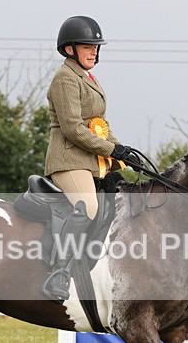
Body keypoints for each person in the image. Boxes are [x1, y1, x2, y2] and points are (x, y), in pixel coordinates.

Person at [42, 16, 137, 300]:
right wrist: (110, 150)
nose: (94, 51)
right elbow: (72, 128)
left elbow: (100, 126)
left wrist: (125, 152)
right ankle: (59, 272)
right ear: (70, 49)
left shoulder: (88, 78)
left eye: (96, 46)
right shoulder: (65, 78)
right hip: (68, 159)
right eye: (88, 46)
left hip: (91, 161)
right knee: (88, 206)